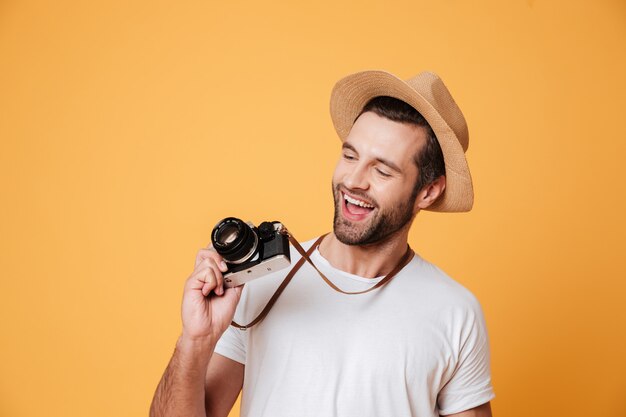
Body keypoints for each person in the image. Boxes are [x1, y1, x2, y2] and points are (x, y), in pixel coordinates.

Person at [150, 70, 495, 417]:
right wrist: (195, 342)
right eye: (350, 155)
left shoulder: (455, 312)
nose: (354, 181)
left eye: (382, 171)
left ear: (428, 191)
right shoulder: (259, 281)